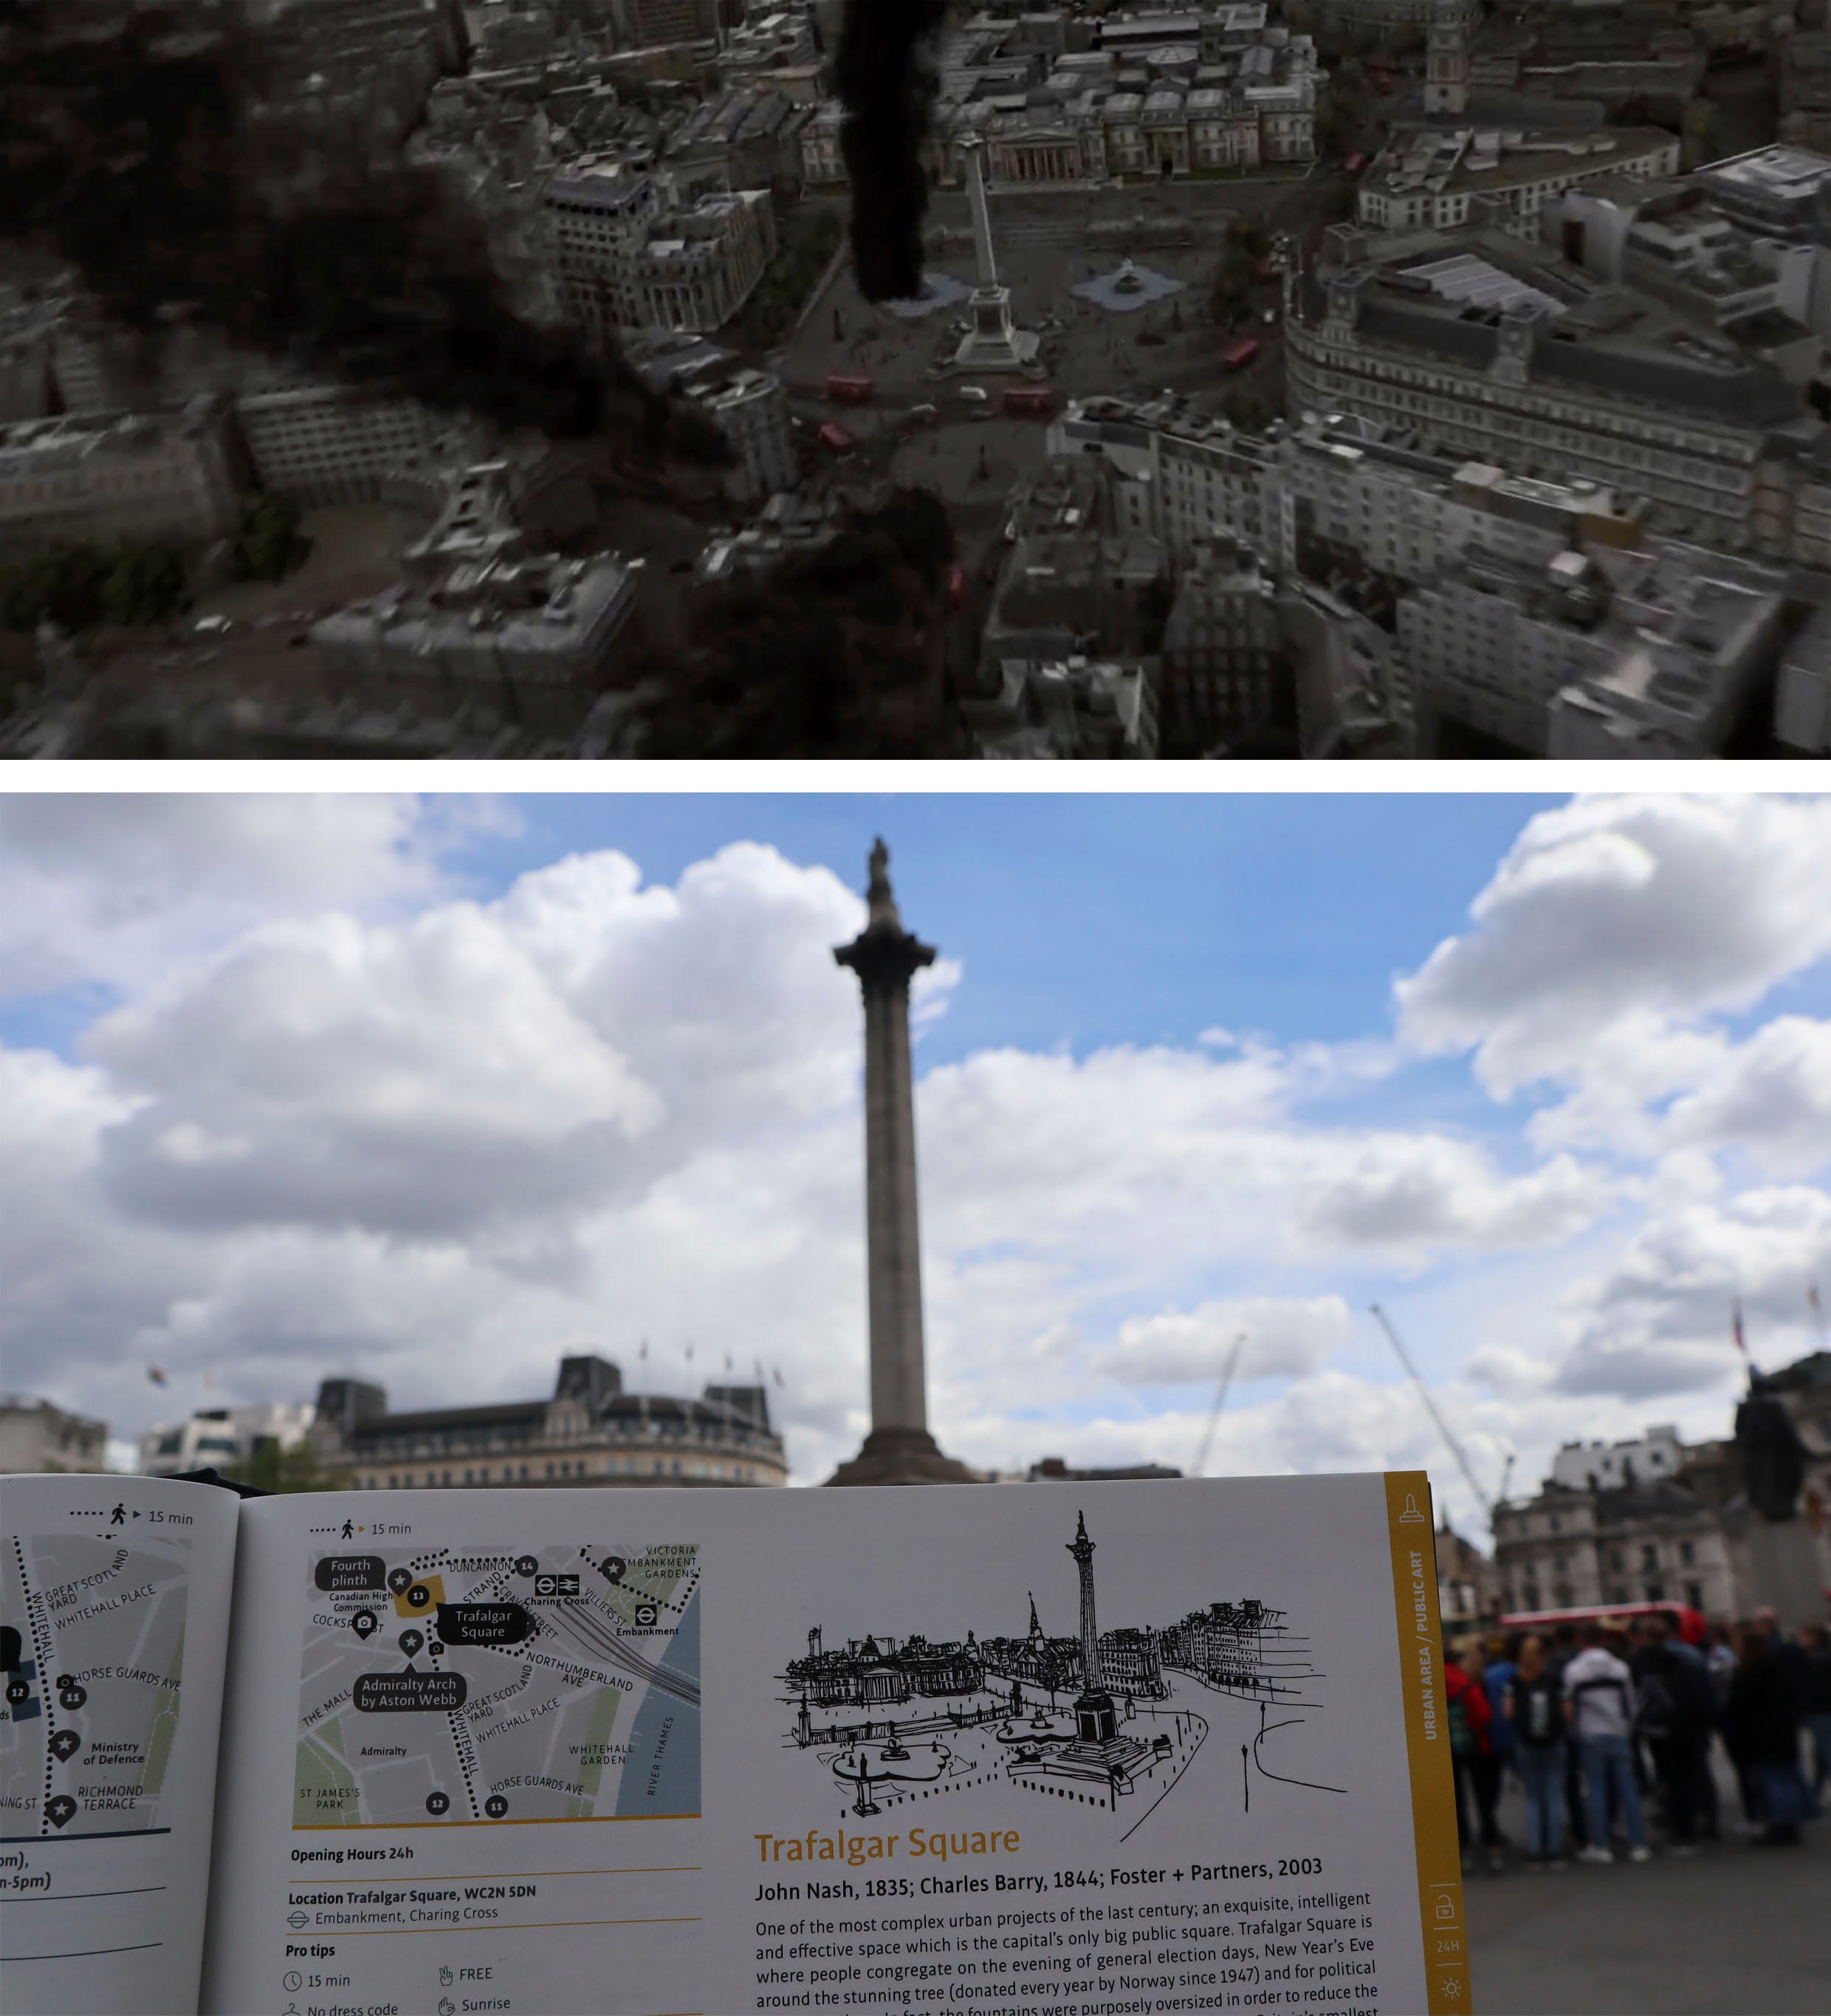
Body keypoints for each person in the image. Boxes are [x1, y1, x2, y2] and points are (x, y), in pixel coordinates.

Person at [1564, 1621, 1650, 1863]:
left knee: (1596, 1791)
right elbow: (1631, 1703)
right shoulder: (1620, 1668)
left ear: (1581, 1641)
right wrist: (1627, 1729)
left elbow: (1570, 1706)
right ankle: (1638, 1844)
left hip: (1590, 1734)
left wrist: (1575, 1733)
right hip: (1618, 1732)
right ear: (1603, 1640)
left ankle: (1601, 1845)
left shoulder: (1574, 1670)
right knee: (1628, 1790)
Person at [1630, 1616, 1714, 1853]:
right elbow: (1696, 1694)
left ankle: (1677, 1829)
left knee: (1667, 1776)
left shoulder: (1638, 1662)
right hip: (1684, 1726)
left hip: (1656, 1728)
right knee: (1686, 1779)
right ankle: (1691, 1828)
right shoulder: (1681, 1659)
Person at [1722, 1630, 1808, 1847]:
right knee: (1786, 1780)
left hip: (1761, 1736)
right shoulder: (1776, 1668)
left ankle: (1779, 1825)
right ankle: (1790, 1823)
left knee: (1772, 1782)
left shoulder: (1747, 1673)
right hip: (1782, 1732)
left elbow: (1737, 1708)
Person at [1504, 1636, 1566, 1870]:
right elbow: (1566, 1711)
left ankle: (1535, 1850)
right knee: (1553, 1796)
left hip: (1526, 1743)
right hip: (1553, 1742)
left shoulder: (1515, 1680)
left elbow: (1508, 1712)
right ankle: (1556, 1851)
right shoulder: (1554, 1678)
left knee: (1532, 1798)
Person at [1445, 1642, 1496, 1873]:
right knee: (1483, 1800)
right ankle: (1492, 1846)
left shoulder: (1429, 1685)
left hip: (1446, 1752)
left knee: (1457, 1802)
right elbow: (1485, 1715)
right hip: (1475, 1748)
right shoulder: (1466, 1683)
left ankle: (1463, 1849)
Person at [1799, 1625, 1831, 1807]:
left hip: (1821, 1711)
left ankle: (1813, 1795)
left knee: (1825, 1752)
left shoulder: (1813, 1660)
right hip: (1822, 1710)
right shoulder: (1821, 1657)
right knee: (1820, 1755)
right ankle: (1813, 1795)